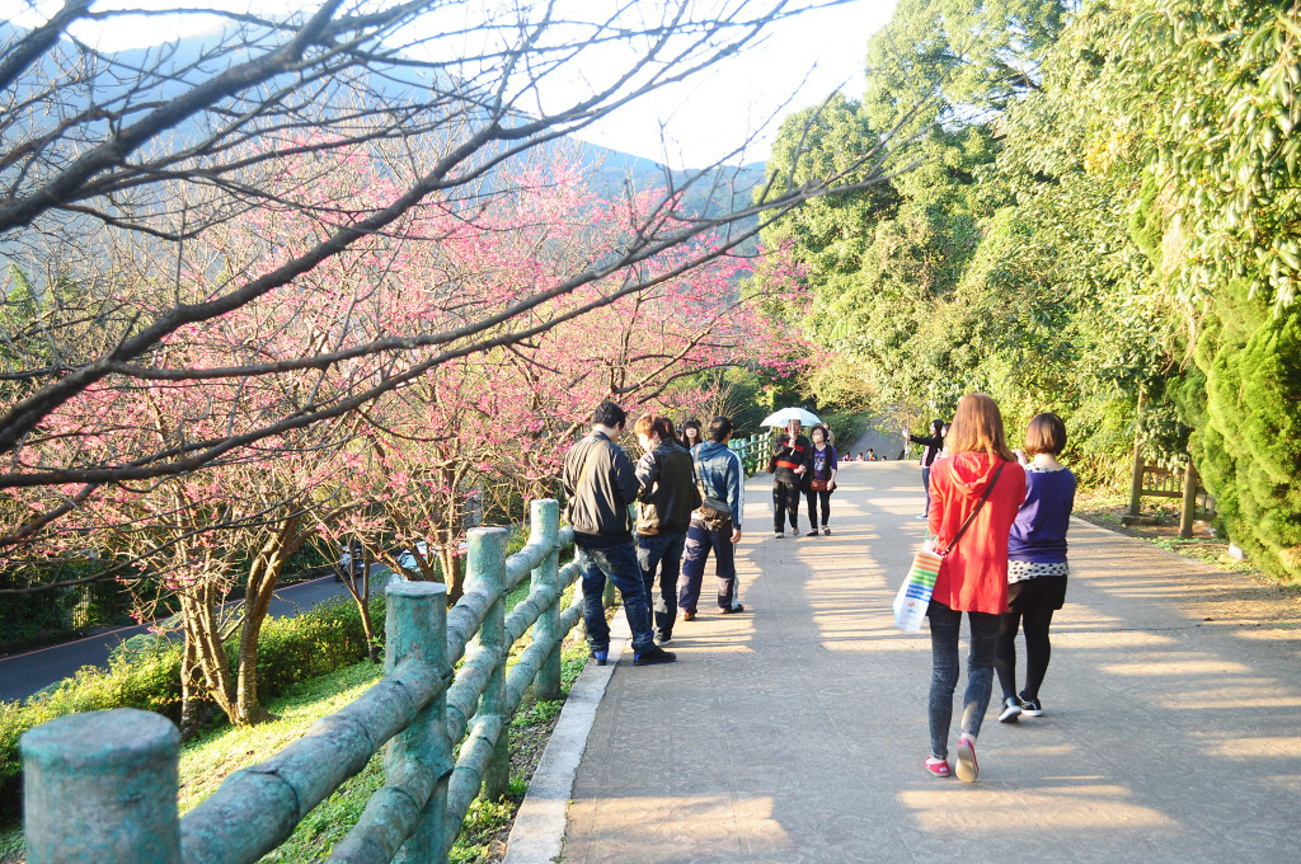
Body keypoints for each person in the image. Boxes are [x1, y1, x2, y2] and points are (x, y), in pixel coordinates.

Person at [922, 393, 1026, 783]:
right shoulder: (1014, 472)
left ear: (959, 424)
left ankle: (937, 755)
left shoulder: (941, 468)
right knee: (981, 664)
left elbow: (935, 528)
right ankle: (968, 735)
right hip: (989, 581)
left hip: (946, 579)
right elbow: (1012, 514)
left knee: (942, 672)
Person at [562, 401, 676, 667]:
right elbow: (628, 492)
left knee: (592, 591)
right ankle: (643, 646)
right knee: (634, 590)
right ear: (616, 425)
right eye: (621, 429)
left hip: (583, 532)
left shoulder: (574, 450)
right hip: (611, 533)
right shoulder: (614, 451)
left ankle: (598, 650)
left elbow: (568, 489)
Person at [996, 413, 1075, 723]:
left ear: (1032, 438)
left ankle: (1009, 698)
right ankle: (1031, 696)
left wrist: (1018, 466)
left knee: (1003, 633)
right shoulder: (1069, 477)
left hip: (1018, 565)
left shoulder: (1022, 474)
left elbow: (1009, 510)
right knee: (1038, 633)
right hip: (1055, 567)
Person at [634, 414, 699, 644]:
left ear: (654, 434)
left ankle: (645, 635)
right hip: (679, 525)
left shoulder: (652, 457)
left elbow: (637, 489)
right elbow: (693, 490)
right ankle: (664, 633)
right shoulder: (684, 454)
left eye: (642, 437)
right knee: (669, 583)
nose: (640, 443)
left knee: (644, 584)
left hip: (653, 527)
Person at [680, 416, 745, 617]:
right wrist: (737, 524)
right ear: (728, 435)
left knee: (692, 562)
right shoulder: (731, 458)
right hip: (722, 519)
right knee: (725, 561)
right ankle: (725, 604)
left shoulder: (693, 452)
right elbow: (736, 494)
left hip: (696, 515)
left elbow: (687, 484)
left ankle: (686, 608)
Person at [770, 418, 810, 538]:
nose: (794, 427)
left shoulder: (803, 441)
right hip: (779, 476)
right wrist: (788, 446)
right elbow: (775, 453)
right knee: (778, 505)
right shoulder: (780, 439)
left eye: (796, 424)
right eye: (791, 424)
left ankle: (794, 524)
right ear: (787, 426)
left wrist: (803, 466)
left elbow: (807, 458)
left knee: (792, 505)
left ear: (800, 427)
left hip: (794, 477)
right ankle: (779, 530)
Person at [803, 424, 838, 536]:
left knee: (825, 504)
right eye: (814, 434)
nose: (816, 436)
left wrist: (831, 480)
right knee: (811, 505)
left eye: (819, 434)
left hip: (825, 480)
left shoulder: (830, 449)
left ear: (824, 435)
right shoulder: (810, 449)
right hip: (811, 480)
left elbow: (834, 466)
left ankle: (824, 524)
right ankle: (814, 528)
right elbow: (805, 463)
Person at [909, 419, 947, 520]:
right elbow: (923, 439)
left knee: (930, 491)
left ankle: (930, 512)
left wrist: (911, 437)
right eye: (930, 426)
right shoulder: (932, 438)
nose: (931, 428)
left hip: (931, 467)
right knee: (928, 491)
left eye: (933, 427)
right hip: (925, 466)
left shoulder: (937, 440)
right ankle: (929, 511)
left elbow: (924, 441)